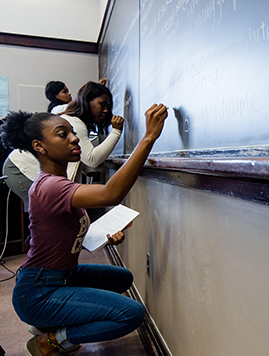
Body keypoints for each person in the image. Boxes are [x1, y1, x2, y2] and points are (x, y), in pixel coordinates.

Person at [0, 103, 168, 356]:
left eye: (73, 132)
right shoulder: (49, 186)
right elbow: (111, 193)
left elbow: (63, 231)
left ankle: (51, 321)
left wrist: (105, 235)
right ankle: (53, 340)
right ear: (39, 146)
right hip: (39, 291)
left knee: (122, 278)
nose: (74, 138)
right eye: (62, 134)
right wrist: (148, 138)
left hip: (62, 276)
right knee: (130, 314)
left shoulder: (58, 182)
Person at [2, 80, 122, 211]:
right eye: (102, 104)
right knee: (48, 212)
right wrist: (116, 131)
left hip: (25, 167)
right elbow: (91, 159)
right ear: (87, 102)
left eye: (107, 106)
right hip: (19, 168)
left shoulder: (76, 121)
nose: (105, 110)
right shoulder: (76, 122)